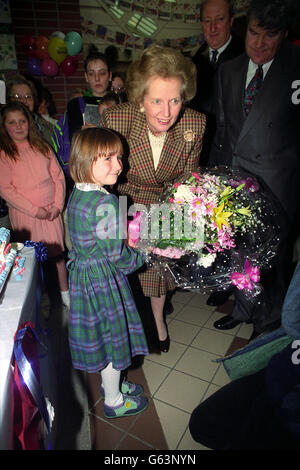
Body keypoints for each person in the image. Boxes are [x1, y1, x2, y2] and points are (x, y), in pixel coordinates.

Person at [102, 45, 206, 352]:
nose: (166, 111)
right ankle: (127, 321)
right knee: (123, 269)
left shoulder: (194, 124)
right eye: (156, 100)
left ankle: (158, 318)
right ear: (140, 98)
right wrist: (117, 220)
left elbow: (189, 178)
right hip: (125, 196)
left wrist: (179, 219)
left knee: (160, 270)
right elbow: (106, 175)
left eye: (175, 100)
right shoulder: (118, 119)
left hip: (166, 199)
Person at [208, 0, 300, 337]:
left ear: (284, 35)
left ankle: (267, 323)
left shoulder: (295, 68)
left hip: (279, 185)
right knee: (238, 253)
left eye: (269, 36)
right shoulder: (228, 70)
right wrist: (214, 183)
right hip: (236, 183)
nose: (259, 44)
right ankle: (243, 308)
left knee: (272, 262)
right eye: (254, 33)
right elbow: (222, 133)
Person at [66, 127, 149, 418]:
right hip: (103, 280)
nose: (119, 165)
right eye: (107, 158)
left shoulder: (78, 192)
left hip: (84, 278)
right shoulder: (106, 202)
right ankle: (114, 401)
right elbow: (119, 257)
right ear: (85, 161)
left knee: (103, 338)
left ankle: (111, 386)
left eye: (119, 157)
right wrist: (142, 254)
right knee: (115, 339)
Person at [189, 259, 300, 450]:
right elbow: (292, 317)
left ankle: (263, 323)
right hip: (283, 366)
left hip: (289, 396)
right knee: (203, 423)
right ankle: (248, 316)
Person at [190, 0, 245, 308]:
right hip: (204, 156)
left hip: (235, 157)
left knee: (233, 224)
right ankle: (218, 277)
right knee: (211, 222)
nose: (212, 28)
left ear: (231, 20)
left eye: (219, 20)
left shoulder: (246, 55)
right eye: (207, 21)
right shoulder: (196, 60)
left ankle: (235, 285)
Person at [0, 101, 69, 309]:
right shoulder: (4, 154)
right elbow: (6, 190)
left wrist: (57, 205)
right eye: (12, 123)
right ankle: (39, 299)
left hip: (51, 213)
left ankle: (65, 293)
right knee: (34, 260)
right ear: (4, 127)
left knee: (57, 256)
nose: (19, 126)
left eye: (22, 121)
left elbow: (58, 177)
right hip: (27, 217)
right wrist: (34, 211)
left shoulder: (42, 147)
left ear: (29, 123)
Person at [67, 50, 112, 142]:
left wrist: (98, 132)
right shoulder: (76, 104)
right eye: (91, 74)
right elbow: (74, 141)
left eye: (102, 73)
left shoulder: (121, 103)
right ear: (86, 77)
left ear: (110, 75)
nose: (97, 78)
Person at [5, 75, 55, 146]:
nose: (23, 101)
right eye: (17, 96)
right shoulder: (2, 129)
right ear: (8, 100)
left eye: (28, 97)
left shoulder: (48, 128)